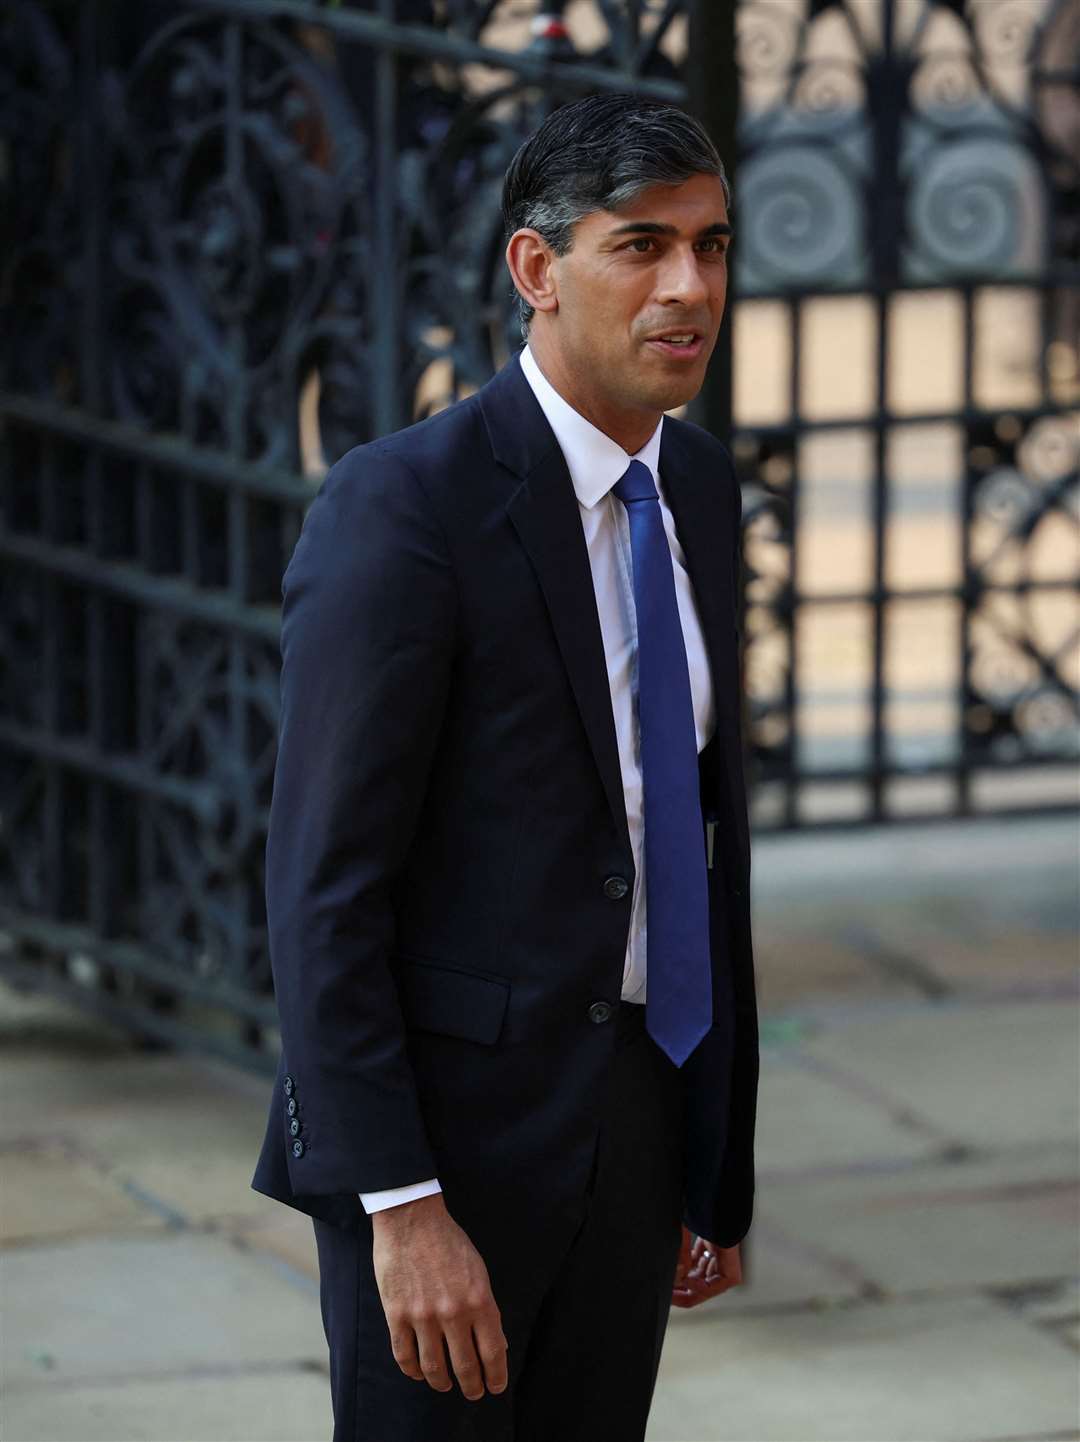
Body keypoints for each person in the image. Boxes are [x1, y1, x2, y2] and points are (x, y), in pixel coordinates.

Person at [251, 90, 759, 1442]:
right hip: (448, 1157)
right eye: (639, 246)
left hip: (640, 1123)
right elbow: (323, 891)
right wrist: (399, 1204)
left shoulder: (700, 489)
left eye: (711, 246)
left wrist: (713, 1158)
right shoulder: (405, 508)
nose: (688, 287)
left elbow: (692, 837)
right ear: (537, 269)